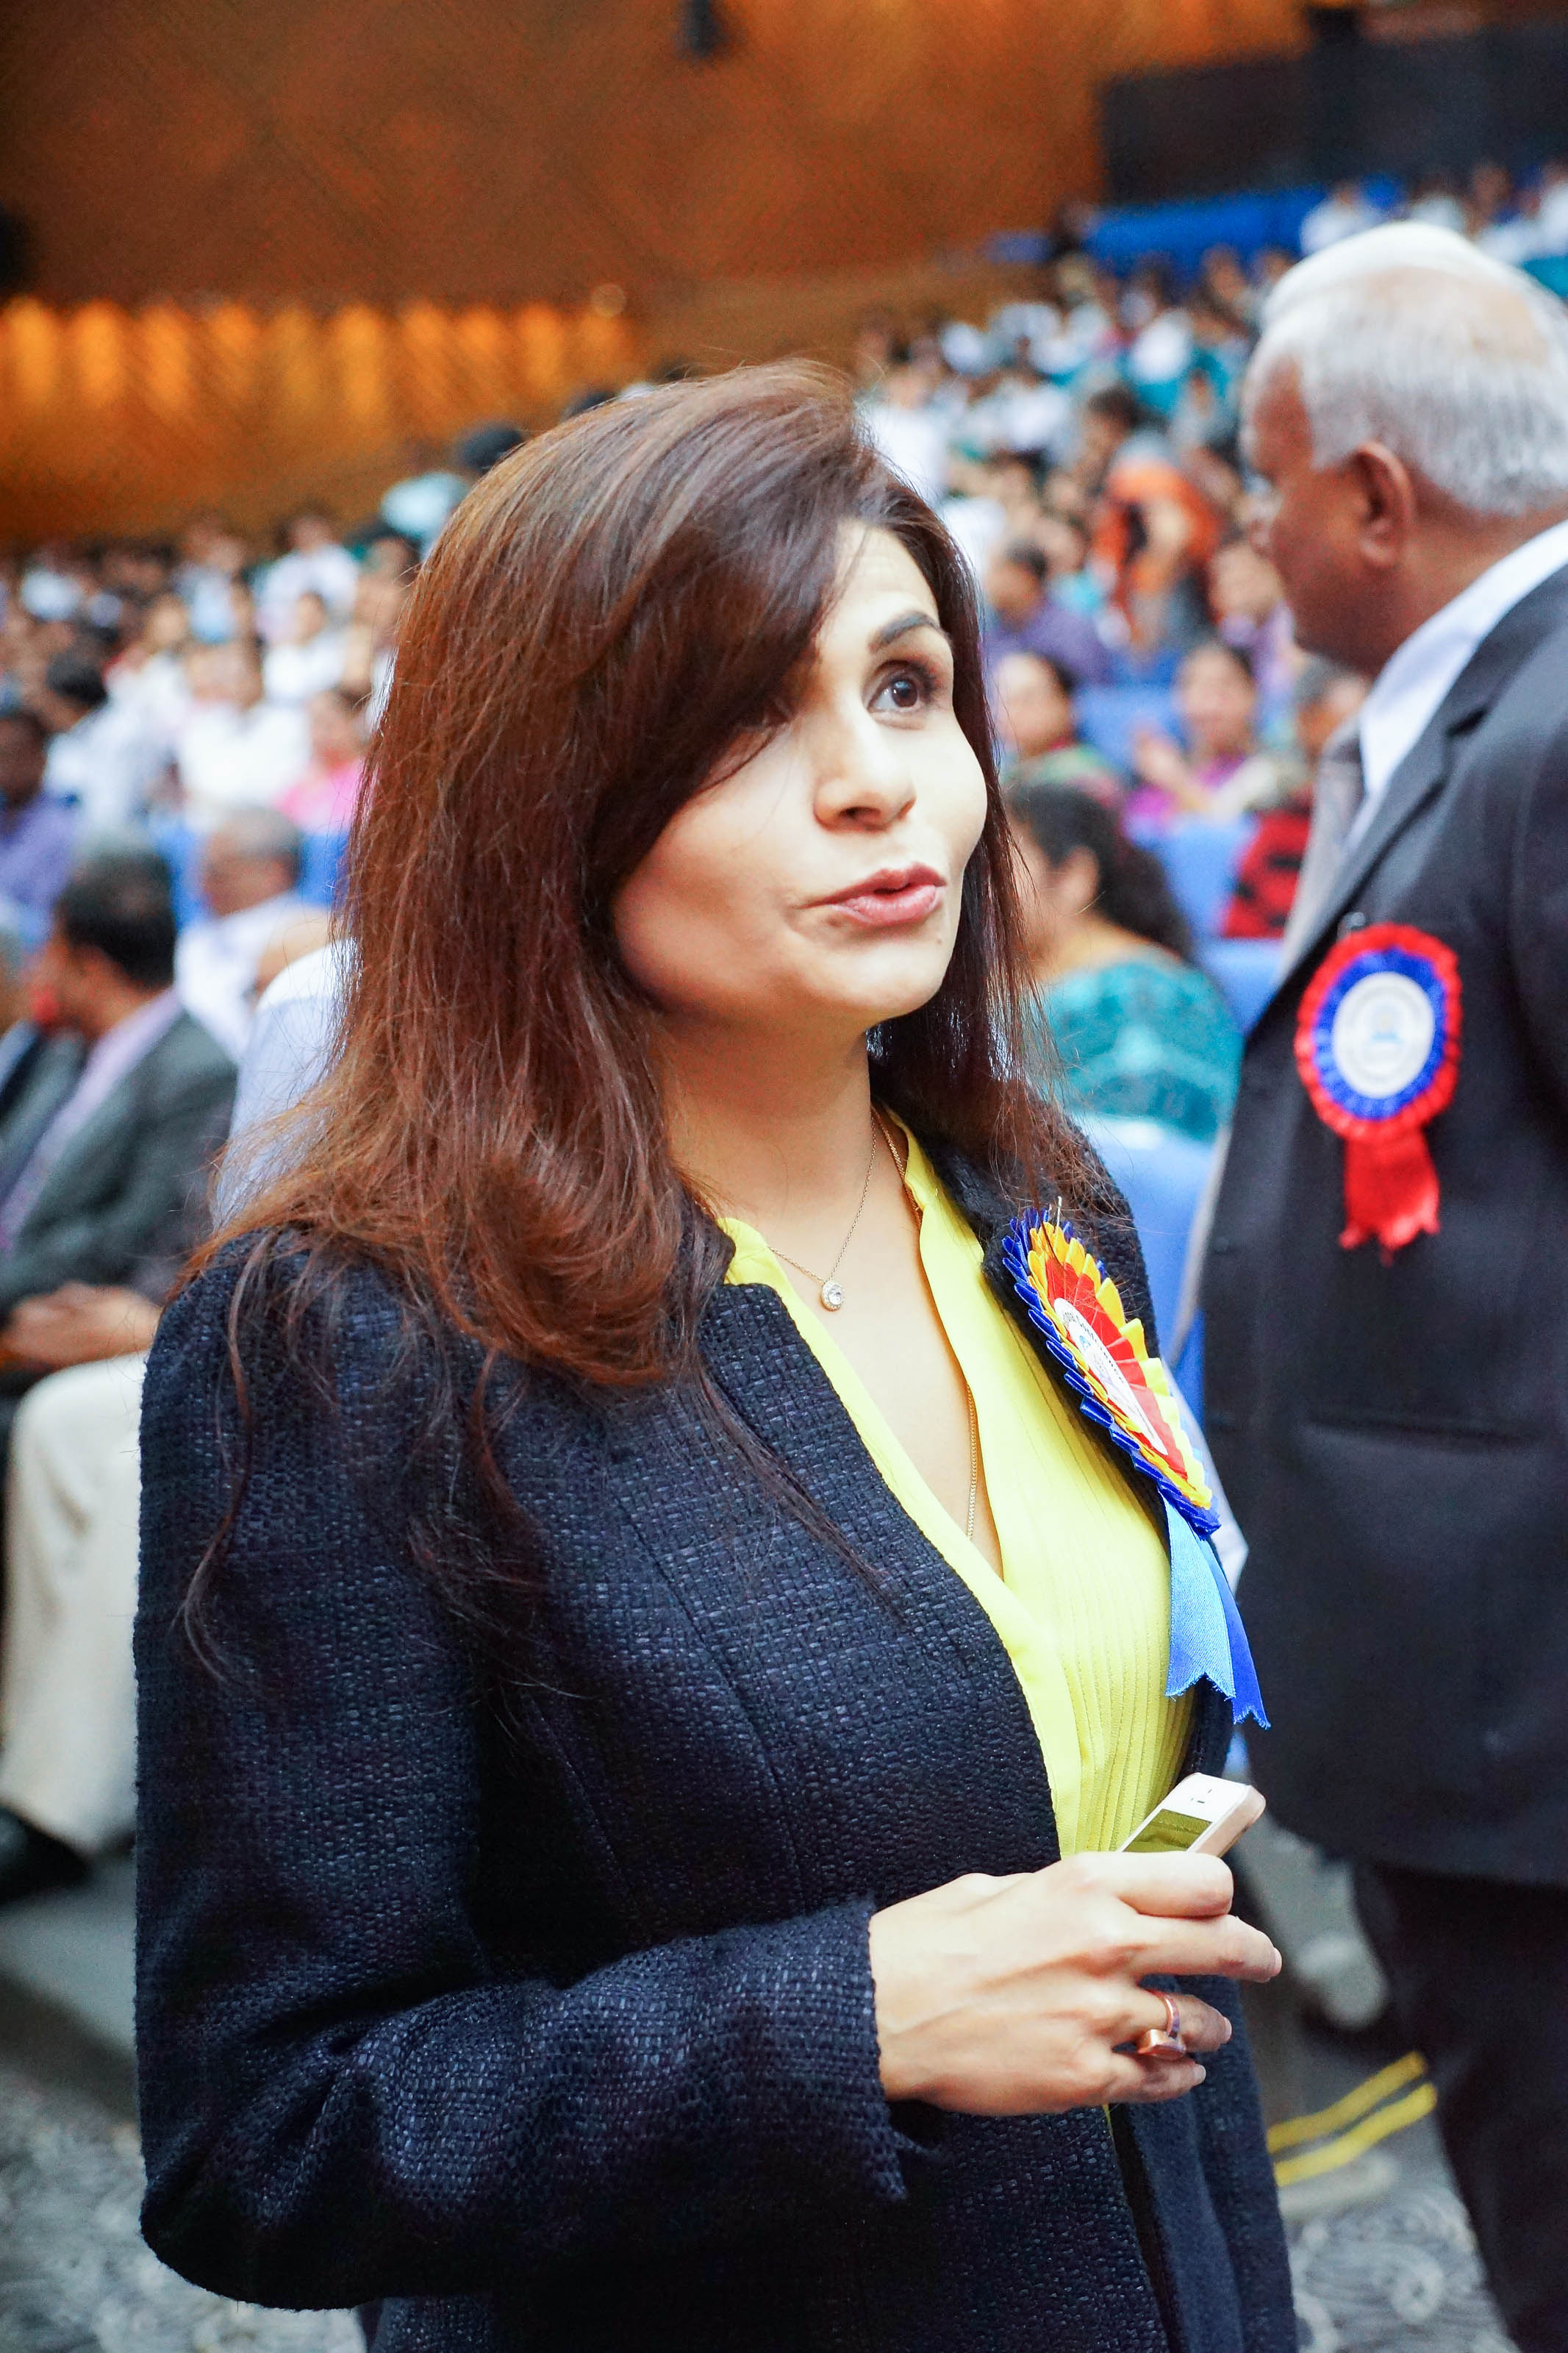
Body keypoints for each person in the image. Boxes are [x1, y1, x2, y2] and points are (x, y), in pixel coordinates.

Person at [135, 367, 1289, 2353]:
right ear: (546, 795)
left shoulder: (1033, 1199)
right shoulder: (352, 1339)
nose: (876, 782)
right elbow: (268, 2128)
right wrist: (846, 2021)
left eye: (907, 687)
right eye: (749, 718)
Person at [1202, 223, 1568, 2353]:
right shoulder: (1480, 714)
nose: (1243, 534)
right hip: (1478, 1720)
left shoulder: (1548, 727)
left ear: (1367, 494)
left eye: (1261, 483)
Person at [0, 851, 235, 1327]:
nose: (36, 971)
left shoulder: (199, 1073)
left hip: (49, 1310)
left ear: (91, 970)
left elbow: (126, 1234)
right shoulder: (67, 1046)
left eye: (49, 952)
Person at [1009, 784, 1242, 1146]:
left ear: (1073, 876)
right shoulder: (993, 988)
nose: (975, 889)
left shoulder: (1145, 1001)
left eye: (997, 867)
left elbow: (1146, 1162)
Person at [1218, 660, 1366, 940]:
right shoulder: (1280, 827)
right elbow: (1239, 936)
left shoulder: (1390, 822)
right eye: (1347, 725)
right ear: (1305, 722)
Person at [175, 809, 308, 1059]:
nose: (201, 886)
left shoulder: (311, 939)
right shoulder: (196, 938)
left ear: (273, 872)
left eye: (218, 872)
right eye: (200, 872)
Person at [1130, 640, 1284, 826]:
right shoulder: (1155, 776)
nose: (1209, 704)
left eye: (1223, 688)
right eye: (1194, 686)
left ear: (1252, 695)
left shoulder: (1268, 772)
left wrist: (1176, 780)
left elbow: (1223, 826)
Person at [173, 637, 310, 829]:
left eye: (238, 675)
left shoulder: (289, 725)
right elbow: (197, 782)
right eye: (225, 676)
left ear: (258, 675)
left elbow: (279, 788)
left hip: (264, 827)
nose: (232, 683)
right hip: (209, 824)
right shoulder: (208, 724)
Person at [992, 650, 1120, 806]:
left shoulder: (1086, 778)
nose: (1011, 711)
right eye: (1004, 699)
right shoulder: (998, 772)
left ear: (1066, 705)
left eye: (1027, 699)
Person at [981, 540, 1111, 687]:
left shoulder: (1071, 632)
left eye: (997, 571)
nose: (988, 581)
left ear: (1025, 576)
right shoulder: (991, 632)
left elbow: (1091, 693)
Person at [0, 708, 78, 924]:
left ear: (40, 759)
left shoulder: (61, 830)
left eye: (9, 756)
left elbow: (45, 920)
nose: (2, 768)